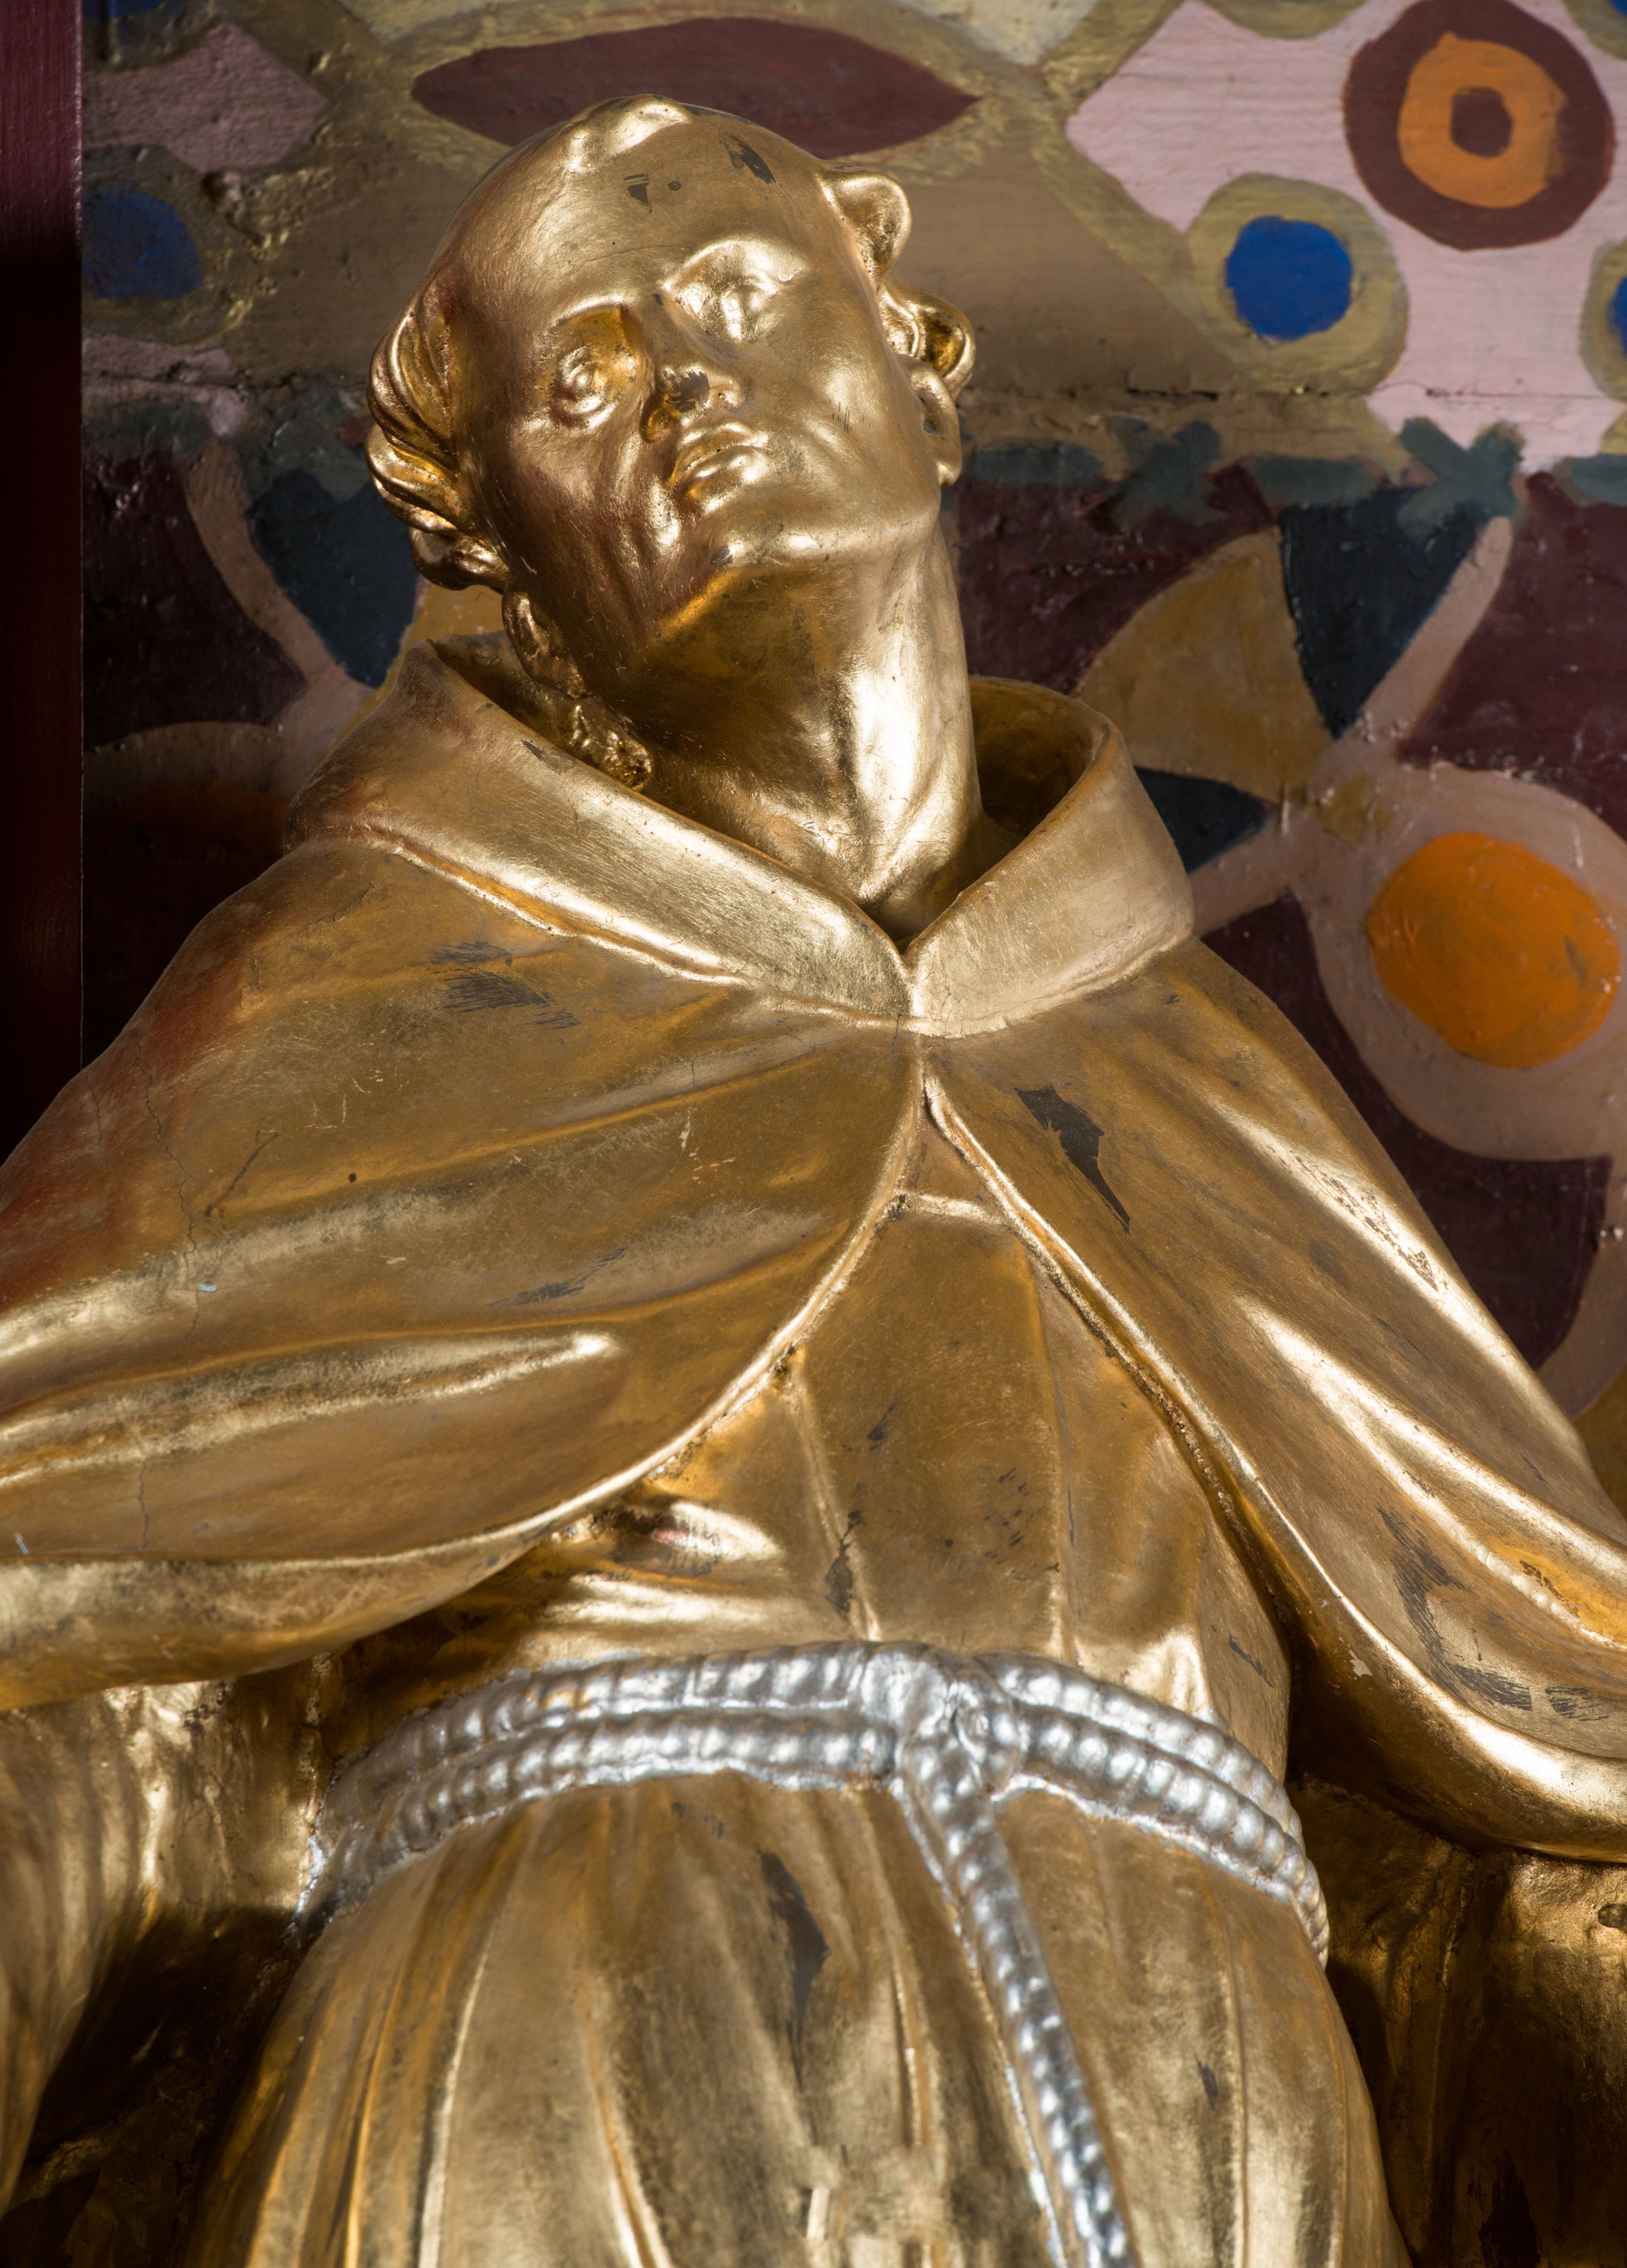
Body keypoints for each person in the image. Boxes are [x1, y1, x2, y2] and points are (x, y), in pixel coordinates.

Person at [2, 94, 1625, 2267]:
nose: (682, 381)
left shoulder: (1207, 1083)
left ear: (923, 375)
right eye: (583, 376)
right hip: (542, 2067)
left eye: (739, 295)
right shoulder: (350, 1009)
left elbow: (1519, 1776)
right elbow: (82, 1633)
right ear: (502, 559)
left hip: (1193, 2102)